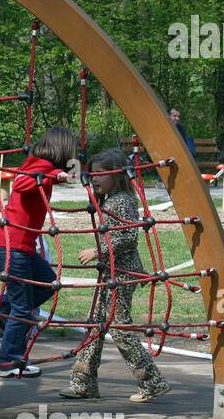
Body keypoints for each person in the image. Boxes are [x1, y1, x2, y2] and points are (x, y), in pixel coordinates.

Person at [63, 148, 171, 403]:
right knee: (96, 325)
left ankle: (152, 381)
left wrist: (97, 251)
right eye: (94, 174)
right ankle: (83, 382)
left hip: (122, 274)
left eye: (101, 174)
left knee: (120, 328)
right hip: (111, 272)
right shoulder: (110, 199)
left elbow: (129, 235)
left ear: (117, 175)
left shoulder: (121, 200)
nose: (96, 179)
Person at [0, 126, 79, 378]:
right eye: (70, 150)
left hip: (21, 247)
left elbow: (74, 175)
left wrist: (66, 169)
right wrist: (51, 176)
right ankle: (9, 362)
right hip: (12, 246)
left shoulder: (45, 165)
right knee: (23, 308)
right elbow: (22, 183)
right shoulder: (37, 165)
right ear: (60, 149)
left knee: (47, 283)